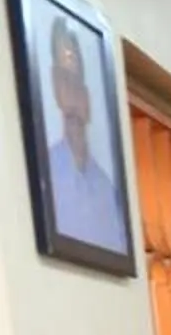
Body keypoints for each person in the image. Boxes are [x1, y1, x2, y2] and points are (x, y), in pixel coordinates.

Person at [42, 17, 124, 254]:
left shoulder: (106, 189)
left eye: (76, 84)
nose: (72, 97)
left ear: (88, 97)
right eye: (64, 81)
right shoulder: (46, 175)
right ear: (55, 87)